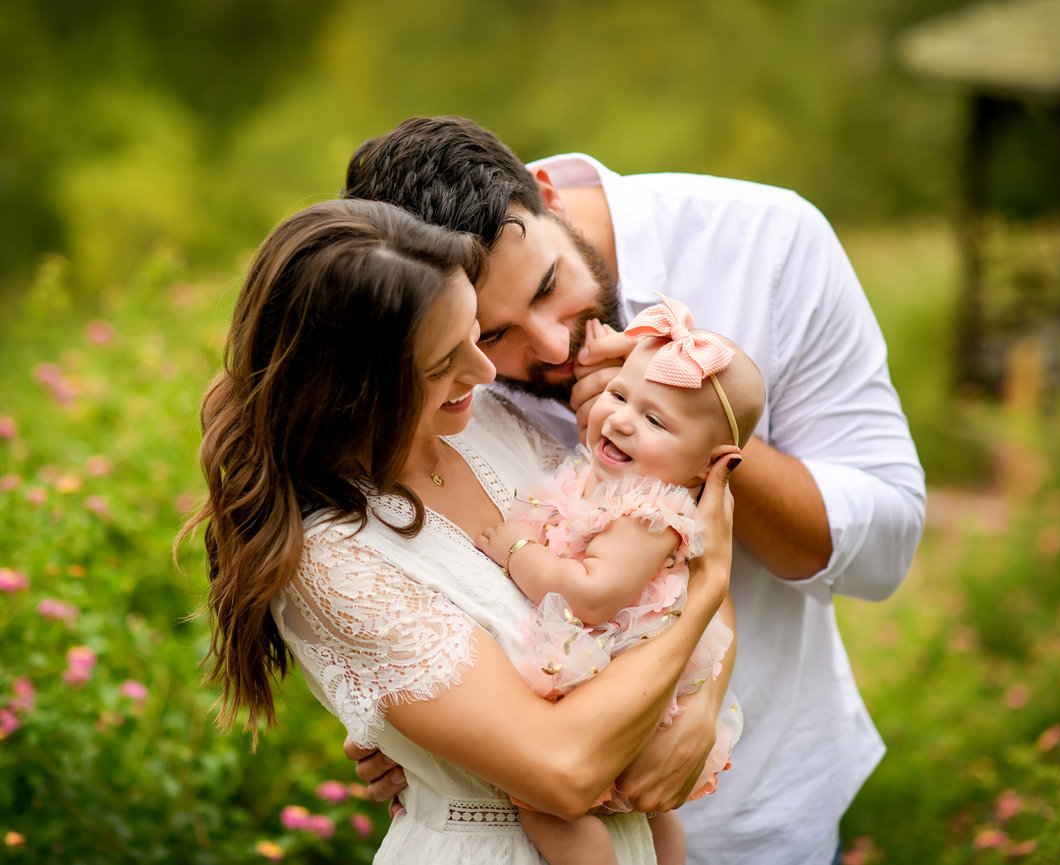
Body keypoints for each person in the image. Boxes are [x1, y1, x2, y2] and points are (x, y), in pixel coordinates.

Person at [341, 116, 927, 864]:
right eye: (491, 336)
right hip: (525, 819)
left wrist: (695, 436)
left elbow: (885, 551)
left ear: (545, 191)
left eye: (549, 287)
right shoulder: (428, 348)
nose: (551, 347)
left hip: (761, 808)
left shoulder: (767, 242)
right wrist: (414, 727)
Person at [180, 197, 743, 864]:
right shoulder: (330, 557)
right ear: (357, 388)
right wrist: (711, 584)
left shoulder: (490, 422)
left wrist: (704, 701)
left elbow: (654, 572)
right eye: (443, 361)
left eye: (477, 335)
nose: (483, 372)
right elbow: (562, 770)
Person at [476, 297, 766, 865]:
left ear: (706, 468)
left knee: (544, 804)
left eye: (655, 421)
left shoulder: (650, 511)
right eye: (620, 395)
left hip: (613, 681)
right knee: (650, 819)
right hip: (615, 677)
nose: (623, 419)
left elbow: (590, 594)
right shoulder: (607, 483)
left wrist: (517, 553)